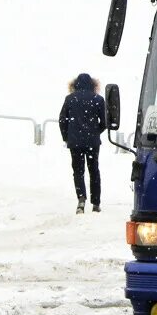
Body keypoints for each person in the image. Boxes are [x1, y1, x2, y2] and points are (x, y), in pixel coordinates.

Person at [59, 73, 107, 214]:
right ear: (93, 85)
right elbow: (104, 122)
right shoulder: (98, 99)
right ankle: (96, 203)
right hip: (92, 141)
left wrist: (67, 137)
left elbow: (62, 120)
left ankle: (81, 199)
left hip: (75, 142)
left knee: (78, 171)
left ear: (75, 85)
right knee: (94, 171)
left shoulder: (70, 99)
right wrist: (95, 132)